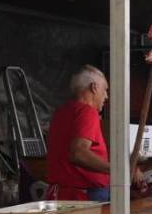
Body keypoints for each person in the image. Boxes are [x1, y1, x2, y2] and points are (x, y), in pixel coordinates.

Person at [46, 65, 112, 201]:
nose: (106, 96)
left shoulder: (61, 112)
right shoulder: (87, 112)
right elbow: (78, 153)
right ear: (94, 87)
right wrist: (116, 170)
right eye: (105, 90)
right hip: (85, 195)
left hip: (64, 194)